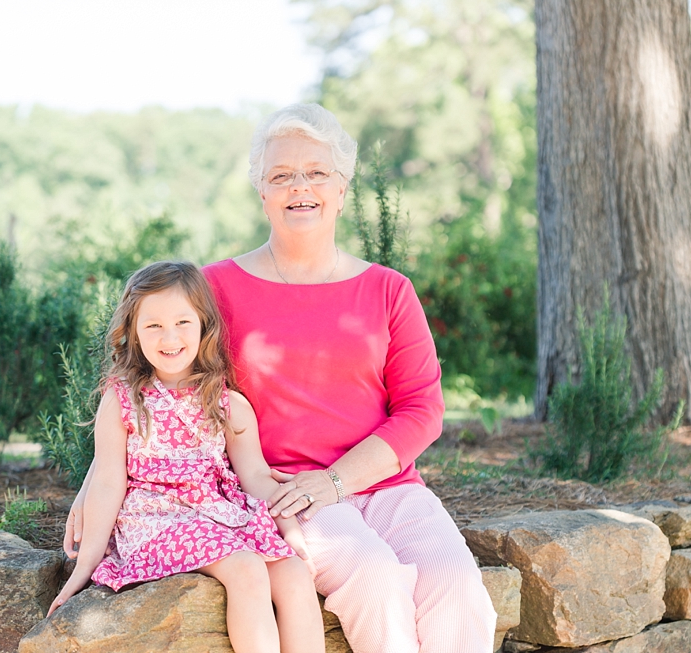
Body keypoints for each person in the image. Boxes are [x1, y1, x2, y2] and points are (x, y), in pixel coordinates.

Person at [64, 104, 497, 653]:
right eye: (281, 176)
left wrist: (338, 480)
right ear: (262, 194)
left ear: (342, 189)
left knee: (457, 588)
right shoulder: (215, 288)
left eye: (317, 173)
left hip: (389, 488)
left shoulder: (389, 290)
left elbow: (421, 411)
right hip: (281, 492)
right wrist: (97, 480)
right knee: (376, 581)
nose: (300, 188)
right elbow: (151, 378)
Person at [48, 261, 325, 653]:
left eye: (182, 322)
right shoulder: (123, 400)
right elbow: (109, 482)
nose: (169, 337)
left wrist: (290, 532)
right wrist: (83, 569)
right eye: (153, 325)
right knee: (246, 569)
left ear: (203, 325)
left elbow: (257, 479)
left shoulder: (227, 404)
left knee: (295, 575)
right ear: (133, 332)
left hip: (215, 517)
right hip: (154, 522)